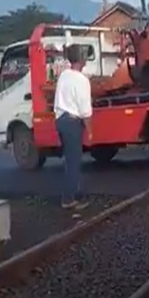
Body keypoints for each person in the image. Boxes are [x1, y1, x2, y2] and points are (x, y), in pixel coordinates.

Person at [54, 44, 93, 210]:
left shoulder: (64, 75)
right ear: (81, 59)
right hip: (72, 122)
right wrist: (90, 132)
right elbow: (85, 110)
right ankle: (68, 199)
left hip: (61, 119)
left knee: (70, 159)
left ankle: (74, 192)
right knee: (74, 160)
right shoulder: (82, 80)